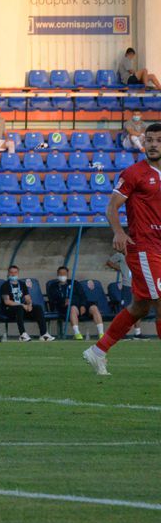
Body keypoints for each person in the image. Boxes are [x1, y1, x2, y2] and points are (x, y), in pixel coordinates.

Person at [84, 122, 161, 374]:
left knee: (140, 305)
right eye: (149, 140)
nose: (152, 144)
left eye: (158, 140)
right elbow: (111, 207)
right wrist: (118, 231)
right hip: (144, 248)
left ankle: (98, 351)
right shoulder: (134, 173)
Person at [47, 266, 103, 341]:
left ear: (67, 274)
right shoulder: (53, 286)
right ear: (57, 274)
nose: (62, 275)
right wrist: (63, 302)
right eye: (60, 274)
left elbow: (83, 295)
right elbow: (53, 299)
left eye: (64, 274)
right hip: (67, 307)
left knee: (94, 308)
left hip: (81, 304)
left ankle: (101, 333)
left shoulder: (74, 283)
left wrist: (83, 305)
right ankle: (77, 333)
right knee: (73, 308)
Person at [0, 265, 52, 342]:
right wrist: (22, 305)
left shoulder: (22, 284)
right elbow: (7, 301)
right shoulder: (5, 285)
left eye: (15, 272)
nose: (13, 274)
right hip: (9, 310)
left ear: (18, 273)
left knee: (37, 307)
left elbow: (28, 298)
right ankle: (23, 335)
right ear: (8, 273)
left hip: (22, 308)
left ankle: (44, 334)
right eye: (11, 272)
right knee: (19, 308)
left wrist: (29, 305)